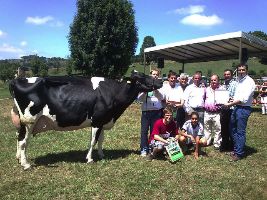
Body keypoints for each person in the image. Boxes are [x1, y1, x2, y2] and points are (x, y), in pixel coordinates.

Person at [224, 64, 256, 161]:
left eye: (243, 70)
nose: (241, 71)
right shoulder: (239, 80)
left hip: (244, 109)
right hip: (236, 107)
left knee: (240, 131)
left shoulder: (250, 82)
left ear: (247, 70)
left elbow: (243, 99)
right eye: (239, 70)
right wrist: (231, 99)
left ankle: (239, 153)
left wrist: (229, 104)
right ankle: (237, 148)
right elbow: (238, 96)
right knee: (232, 129)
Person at [137, 68, 164, 156]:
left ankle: (152, 147)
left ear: (158, 76)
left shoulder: (161, 85)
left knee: (154, 132)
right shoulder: (144, 85)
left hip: (156, 112)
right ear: (150, 75)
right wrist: (146, 90)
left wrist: (155, 89)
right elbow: (139, 99)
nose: (155, 76)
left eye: (157, 74)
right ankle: (144, 149)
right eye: (153, 74)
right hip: (146, 112)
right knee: (144, 131)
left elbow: (161, 98)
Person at [203, 74, 224, 149]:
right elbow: (204, 98)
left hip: (217, 112)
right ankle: (207, 141)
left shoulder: (222, 89)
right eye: (211, 80)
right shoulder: (206, 89)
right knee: (207, 128)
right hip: (207, 112)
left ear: (218, 81)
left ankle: (217, 143)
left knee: (218, 128)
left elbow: (224, 101)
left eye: (215, 80)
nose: (213, 81)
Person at [220, 69, 237, 151]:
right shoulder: (223, 85)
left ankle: (233, 146)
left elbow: (237, 96)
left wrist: (232, 99)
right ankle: (225, 144)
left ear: (232, 75)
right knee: (224, 128)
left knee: (231, 128)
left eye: (228, 74)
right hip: (224, 110)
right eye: (225, 74)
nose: (226, 76)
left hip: (231, 109)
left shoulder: (235, 84)